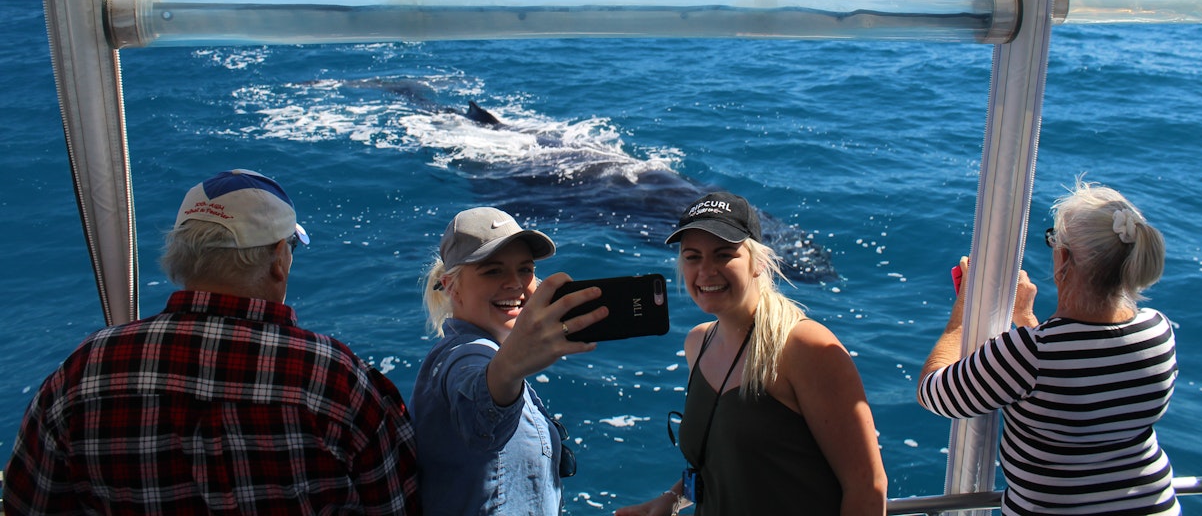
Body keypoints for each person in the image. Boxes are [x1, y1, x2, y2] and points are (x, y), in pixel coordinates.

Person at [2, 168, 420, 515]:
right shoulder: (334, 377)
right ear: (279, 259)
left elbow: (29, 503)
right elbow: (398, 503)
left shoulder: (85, 372)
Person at [617, 191, 887, 516]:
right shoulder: (698, 344)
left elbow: (867, 487)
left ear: (758, 261)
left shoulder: (804, 346)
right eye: (692, 257)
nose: (706, 270)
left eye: (723, 255)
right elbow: (716, 463)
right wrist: (671, 500)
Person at [918, 179, 1179, 515]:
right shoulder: (1157, 331)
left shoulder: (1030, 353)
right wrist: (1026, 317)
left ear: (1063, 257)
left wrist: (963, 312)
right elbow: (1079, 370)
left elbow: (934, 393)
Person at [410, 206, 609, 516]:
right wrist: (510, 367)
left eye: (525, 269)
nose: (515, 283)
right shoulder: (463, 355)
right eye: (493, 270)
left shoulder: (490, 350)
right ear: (452, 286)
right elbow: (480, 412)